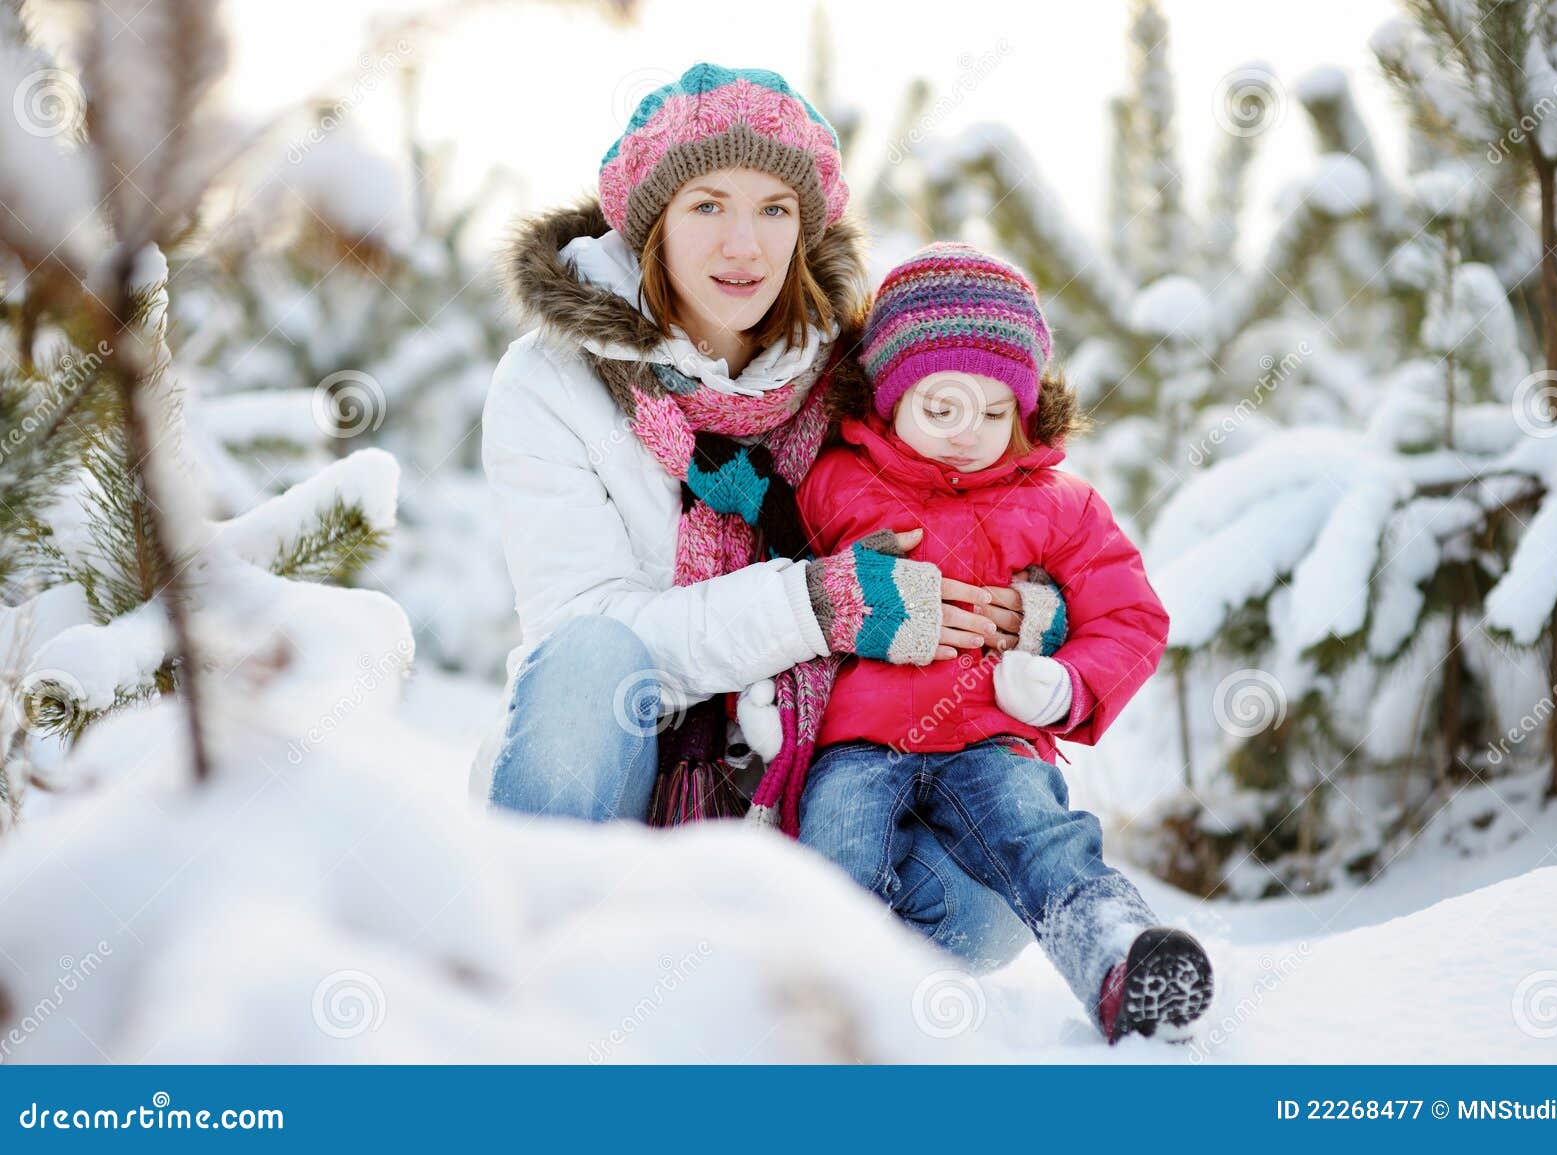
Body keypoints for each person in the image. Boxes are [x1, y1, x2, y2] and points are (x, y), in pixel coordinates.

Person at [472, 64, 1058, 971]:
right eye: (708, 204)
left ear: (804, 226)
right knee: (590, 656)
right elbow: (591, 636)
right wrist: (817, 606)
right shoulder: (552, 382)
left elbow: (995, 508)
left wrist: (1025, 605)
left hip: (812, 797)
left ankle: (802, 977)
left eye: (775, 208)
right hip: (621, 780)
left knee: (991, 893)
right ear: (652, 222)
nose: (743, 244)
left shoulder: (858, 380)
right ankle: (541, 961)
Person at [789, 242, 1216, 1043]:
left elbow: (1130, 616)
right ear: (889, 395)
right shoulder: (834, 481)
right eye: (941, 407)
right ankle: (824, 997)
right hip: (856, 742)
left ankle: (1121, 959)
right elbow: (782, 585)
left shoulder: (1057, 502)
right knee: (837, 842)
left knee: (1045, 835)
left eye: (995, 412)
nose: (969, 433)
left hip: (990, 736)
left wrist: (1066, 684)